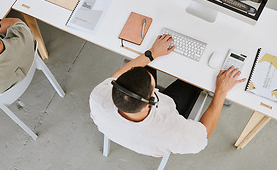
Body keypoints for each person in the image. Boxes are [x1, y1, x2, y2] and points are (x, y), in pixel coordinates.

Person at [89, 34, 246, 157]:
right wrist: (221, 92)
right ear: (149, 102)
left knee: (147, 66)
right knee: (196, 80)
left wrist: (152, 54)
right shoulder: (172, 131)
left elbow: (116, 76)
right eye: (153, 88)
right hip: (168, 113)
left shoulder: (99, 96)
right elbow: (204, 134)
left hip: (121, 129)